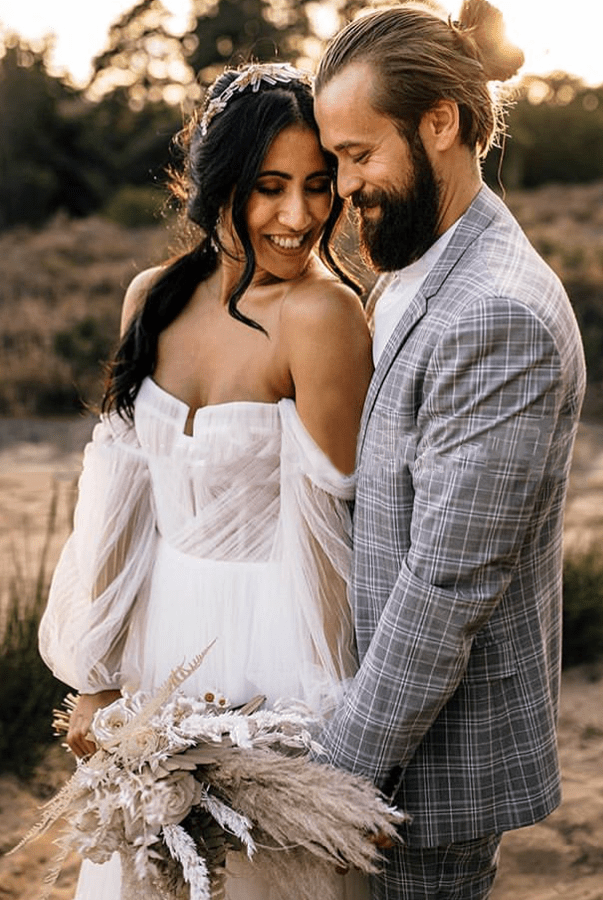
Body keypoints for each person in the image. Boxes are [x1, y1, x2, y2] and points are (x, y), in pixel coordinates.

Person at [38, 61, 373, 900]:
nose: (299, 216)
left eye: (318, 185)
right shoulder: (151, 296)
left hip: (274, 647)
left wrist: (335, 704)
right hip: (158, 637)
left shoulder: (324, 318)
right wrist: (96, 679)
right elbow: (117, 502)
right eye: (268, 187)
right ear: (212, 183)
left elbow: (343, 527)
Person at [313, 2, 586, 898]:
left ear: (442, 123)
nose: (342, 186)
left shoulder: (495, 313)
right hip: (379, 738)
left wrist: (332, 777)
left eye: (359, 155)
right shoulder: (412, 263)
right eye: (335, 159)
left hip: (420, 776)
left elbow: (444, 587)